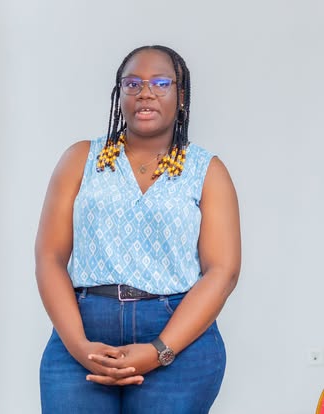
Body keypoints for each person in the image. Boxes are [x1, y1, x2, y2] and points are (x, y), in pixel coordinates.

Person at [35, 45, 241, 414]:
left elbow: (222, 272)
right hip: (83, 331)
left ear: (181, 96)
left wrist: (159, 350)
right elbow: (49, 257)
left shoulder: (207, 171)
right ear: (120, 95)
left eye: (161, 83)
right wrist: (78, 345)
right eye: (133, 84)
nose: (145, 92)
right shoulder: (80, 159)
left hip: (176, 336)